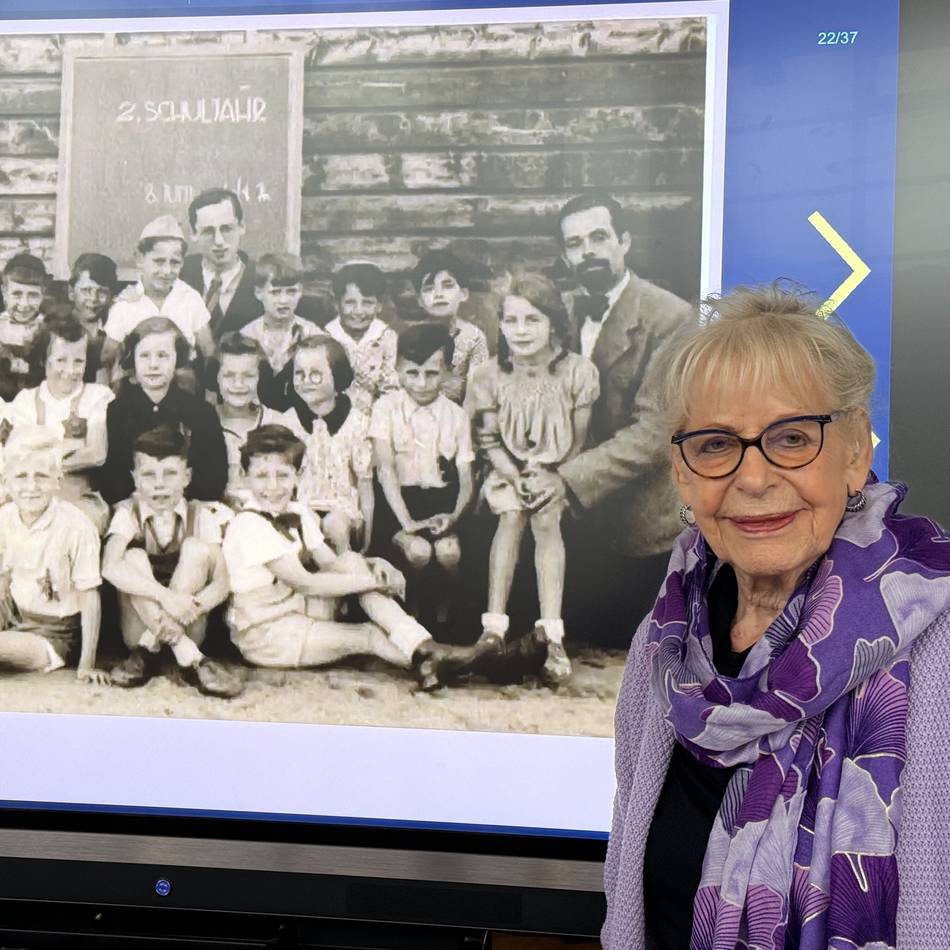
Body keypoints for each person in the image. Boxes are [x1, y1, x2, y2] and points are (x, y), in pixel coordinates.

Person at [602, 284, 950, 950]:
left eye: (791, 438)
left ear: (854, 454)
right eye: (714, 445)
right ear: (682, 472)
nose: (753, 479)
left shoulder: (941, 644)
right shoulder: (664, 644)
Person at [528, 191, 696, 647]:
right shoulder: (552, 313)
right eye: (576, 243)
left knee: (624, 646)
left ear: (623, 242)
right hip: (570, 525)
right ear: (566, 255)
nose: (589, 252)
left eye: (599, 237)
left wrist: (564, 480)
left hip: (639, 529)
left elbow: (656, 431)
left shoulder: (672, 317)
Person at [221, 424, 475, 689]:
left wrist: (374, 564)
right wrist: (372, 582)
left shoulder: (299, 512)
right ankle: (434, 658)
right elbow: (304, 583)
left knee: (351, 561)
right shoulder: (248, 525)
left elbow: (331, 564)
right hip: (269, 635)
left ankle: (427, 652)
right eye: (261, 476)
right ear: (244, 477)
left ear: (299, 475)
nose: (272, 487)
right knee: (368, 635)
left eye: (283, 475)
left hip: (300, 610)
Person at [466, 275, 599, 684]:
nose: (520, 331)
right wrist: (514, 473)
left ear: (554, 323)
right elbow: (488, 439)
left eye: (532, 320)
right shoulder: (489, 375)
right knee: (510, 516)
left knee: (545, 519)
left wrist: (550, 476)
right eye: (511, 320)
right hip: (507, 471)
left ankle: (551, 633)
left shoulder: (577, 371)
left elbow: (579, 442)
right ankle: (493, 628)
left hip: (556, 474)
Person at [103, 426, 241, 698]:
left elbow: (223, 583)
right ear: (135, 479)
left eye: (170, 474)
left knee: (195, 549)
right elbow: (109, 566)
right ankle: (190, 657)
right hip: (138, 625)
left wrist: (190, 607)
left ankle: (150, 647)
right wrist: (166, 598)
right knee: (132, 557)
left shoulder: (200, 514)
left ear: (186, 477)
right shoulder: (127, 512)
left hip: (190, 622)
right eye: (148, 475)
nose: (159, 484)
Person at [371, 323, 475, 628]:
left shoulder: (456, 416)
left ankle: (446, 604)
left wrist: (453, 516)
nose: (421, 383)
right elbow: (386, 471)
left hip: (440, 502)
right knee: (418, 551)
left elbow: (466, 479)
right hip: (397, 503)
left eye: (431, 374)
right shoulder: (385, 408)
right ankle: (411, 606)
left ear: (446, 372)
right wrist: (407, 523)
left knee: (447, 552)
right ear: (398, 368)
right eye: (412, 373)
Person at [0, 427, 107, 684]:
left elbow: (90, 598)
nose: (31, 487)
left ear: (57, 480)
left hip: (54, 632)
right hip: (14, 616)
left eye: (41, 476)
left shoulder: (77, 526)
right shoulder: (5, 518)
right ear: (6, 481)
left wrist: (86, 664)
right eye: (21, 477)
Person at [98, 317, 228, 504]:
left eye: (162, 355)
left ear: (178, 359)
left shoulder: (201, 412)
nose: (153, 365)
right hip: (132, 509)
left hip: (189, 508)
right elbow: (113, 480)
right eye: (144, 355)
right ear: (133, 359)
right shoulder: (117, 411)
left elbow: (214, 478)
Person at [9, 312, 114, 532]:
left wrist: (43, 452)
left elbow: (96, 453)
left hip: (80, 498)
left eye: (79, 361)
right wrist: (72, 447)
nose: (71, 371)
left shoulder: (98, 396)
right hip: (31, 493)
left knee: (75, 525)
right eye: (61, 360)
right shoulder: (26, 401)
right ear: (42, 359)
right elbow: (18, 457)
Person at [179, 188, 326, 340]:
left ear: (242, 226)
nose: (219, 241)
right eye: (208, 231)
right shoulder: (179, 277)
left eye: (226, 229)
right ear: (193, 233)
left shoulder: (266, 277)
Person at [283, 336, 374, 553]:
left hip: (344, 509)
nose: (305, 381)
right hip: (303, 505)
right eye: (299, 373)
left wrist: (369, 536)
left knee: (335, 525)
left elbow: (364, 483)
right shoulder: (288, 422)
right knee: (307, 524)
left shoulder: (357, 422)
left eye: (315, 374)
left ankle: (346, 576)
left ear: (338, 376)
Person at [100, 215, 215, 386]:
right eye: (159, 261)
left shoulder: (190, 299)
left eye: (175, 262)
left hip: (182, 391)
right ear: (139, 258)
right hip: (136, 391)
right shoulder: (125, 304)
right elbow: (107, 357)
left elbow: (209, 352)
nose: (167, 270)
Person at [239, 252, 323, 411]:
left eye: (291, 291)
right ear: (259, 293)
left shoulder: (314, 335)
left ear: (300, 292)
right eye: (275, 292)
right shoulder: (246, 336)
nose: (284, 300)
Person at [215, 333, 289, 508]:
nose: (238, 384)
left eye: (248, 376)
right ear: (216, 377)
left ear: (259, 377)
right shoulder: (203, 423)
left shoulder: (278, 422)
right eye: (229, 376)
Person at [411, 249, 488, 403]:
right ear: (419, 300)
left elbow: (476, 393)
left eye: (447, 286)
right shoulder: (411, 337)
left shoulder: (473, 337)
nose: (438, 294)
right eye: (429, 288)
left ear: (463, 294)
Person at [324, 262, 399, 407]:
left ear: (379, 306)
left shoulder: (386, 338)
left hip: (378, 413)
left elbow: (391, 386)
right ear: (337, 304)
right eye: (350, 302)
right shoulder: (326, 338)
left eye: (367, 303)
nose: (359, 311)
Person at [0, 252, 49, 400]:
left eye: (33, 295)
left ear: (43, 293)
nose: (24, 304)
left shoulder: (49, 329)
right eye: (16, 294)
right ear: (4, 292)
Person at [66, 252, 117, 384]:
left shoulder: (113, 333)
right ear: (71, 293)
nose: (93, 299)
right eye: (86, 291)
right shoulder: (57, 329)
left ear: (111, 295)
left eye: (102, 292)